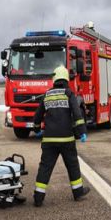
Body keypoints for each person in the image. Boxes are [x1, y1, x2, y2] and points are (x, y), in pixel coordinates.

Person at [33, 65, 90, 207]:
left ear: (54, 79)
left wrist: (36, 129)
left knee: (45, 167)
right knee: (72, 165)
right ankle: (78, 193)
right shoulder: (69, 93)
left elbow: (38, 115)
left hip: (49, 140)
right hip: (66, 139)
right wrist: (82, 132)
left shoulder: (47, 95)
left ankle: (38, 197)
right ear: (66, 79)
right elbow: (77, 114)